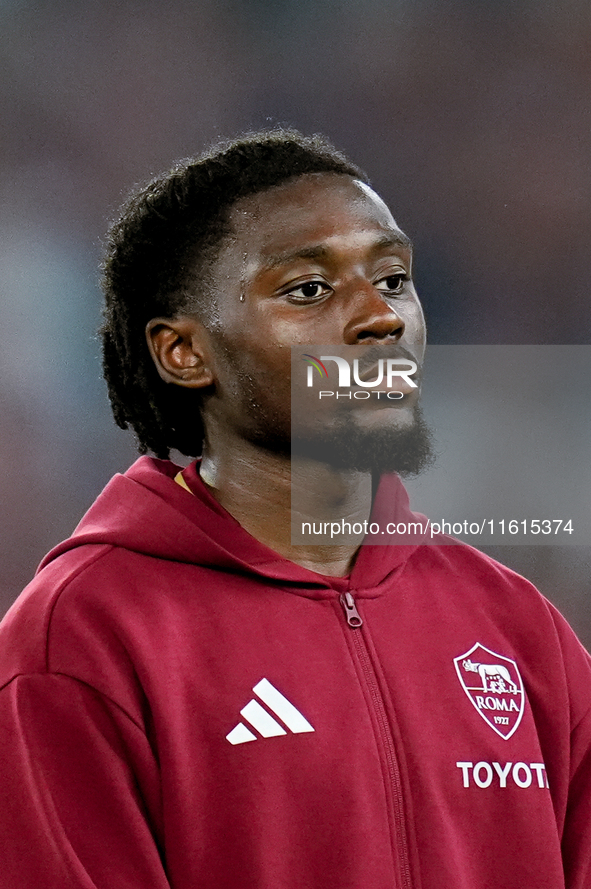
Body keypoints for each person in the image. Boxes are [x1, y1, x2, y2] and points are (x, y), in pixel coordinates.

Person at [0, 130, 589, 889]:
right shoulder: (85, 640)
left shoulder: (514, 625)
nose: (378, 318)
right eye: (308, 289)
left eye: (393, 278)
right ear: (184, 352)